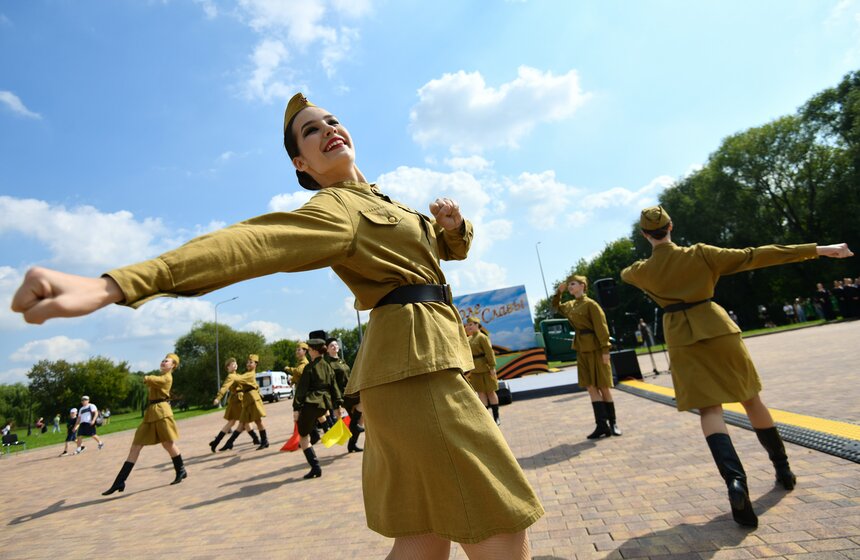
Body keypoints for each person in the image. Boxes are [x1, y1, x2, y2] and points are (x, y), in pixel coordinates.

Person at [10, 92, 543, 557]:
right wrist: (118, 284)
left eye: (331, 120)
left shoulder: (384, 202)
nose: (328, 129)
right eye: (311, 131)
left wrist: (455, 229)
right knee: (498, 524)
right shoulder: (335, 209)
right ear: (301, 164)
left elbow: (439, 256)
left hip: (417, 365)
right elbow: (252, 243)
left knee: (425, 538)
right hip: (415, 374)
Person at [620, 205, 853, 528]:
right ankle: (782, 469)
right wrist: (820, 250)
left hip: (681, 338)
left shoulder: (641, 271)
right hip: (716, 327)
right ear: (671, 226)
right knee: (751, 400)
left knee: (710, 411)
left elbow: (626, 273)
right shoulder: (700, 254)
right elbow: (756, 254)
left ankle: (736, 483)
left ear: (645, 234)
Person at [103, 353, 187, 494]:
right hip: (150, 413)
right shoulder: (159, 378)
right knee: (135, 446)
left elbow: (152, 379)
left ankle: (181, 470)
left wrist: (146, 377)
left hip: (162, 413)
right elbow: (152, 380)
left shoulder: (167, 378)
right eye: (162, 360)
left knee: (168, 444)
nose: (163, 362)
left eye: (167, 361)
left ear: (173, 366)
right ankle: (119, 481)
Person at [551, 276, 622, 439]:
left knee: (603, 386)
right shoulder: (570, 305)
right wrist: (558, 293)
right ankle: (601, 425)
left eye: (573, 284)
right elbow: (555, 309)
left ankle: (613, 423)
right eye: (568, 285)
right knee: (590, 387)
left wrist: (605, 350)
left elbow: (601, 328)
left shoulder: (591, 304)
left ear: (582, 286)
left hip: (596, 347)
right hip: (582, 348)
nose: (570, 287)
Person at [294, 333, 343, 478]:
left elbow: (301, 390)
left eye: (309, 349)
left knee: (303, 437)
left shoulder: (309, 367)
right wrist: (337, 405)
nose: (308, 351)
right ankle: (319, 432)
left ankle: (315, 468)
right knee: (314, 423)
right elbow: (334, 388)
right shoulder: (328, 366)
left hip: (312, 403)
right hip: (324, 405)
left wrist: (296, 408)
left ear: (314, 351)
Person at [208, 357, 260, 452]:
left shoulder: (238, 375)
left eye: (235, 363)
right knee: (243, 421)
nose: (235, 365)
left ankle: (217, 442)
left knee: (235, 422)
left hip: (239, 400)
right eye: (232, 364)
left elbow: (249, 383)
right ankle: (254, 439)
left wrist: (257, 391)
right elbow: (224, 387)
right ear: (228, 367)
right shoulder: (231, 376)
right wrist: (218, 398)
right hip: (237, 401)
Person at [324, 336, 364, 453]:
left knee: (359, 418)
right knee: (362, 405)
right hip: (342, 395)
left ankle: (352, 445)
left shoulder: (341, 361)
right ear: (327, 349)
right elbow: (331, 384)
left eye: (336, 345)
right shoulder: (328, 364)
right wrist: (336, 404)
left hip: (351, 390)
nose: (335, 347)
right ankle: (353, 432)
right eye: (332, 345)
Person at [464, 317, 502, 425]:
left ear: (477, 325)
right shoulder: (469, 339)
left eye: (471, 324)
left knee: (490, 391)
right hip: (475, 370)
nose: (469, 326)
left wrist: (492, 367)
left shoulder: (482, 337)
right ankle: (487, 420)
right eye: (468, 325)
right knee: (480, 393)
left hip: (486, 368)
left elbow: (489, 353)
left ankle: (496, 417)